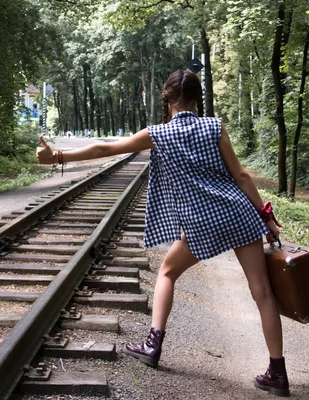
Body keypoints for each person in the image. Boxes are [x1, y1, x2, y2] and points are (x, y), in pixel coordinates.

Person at [37, 69, 290, 397]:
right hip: (238, 213)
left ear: (167, 100)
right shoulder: (215, 127)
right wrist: (266, 217)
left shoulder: (158, 133)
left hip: (202, 222)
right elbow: (241, 176)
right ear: (198, 99)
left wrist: (57, 156)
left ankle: (152, 345)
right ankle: (278, 372)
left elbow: (104, 149)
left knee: (168, 272)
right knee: (262, 292)